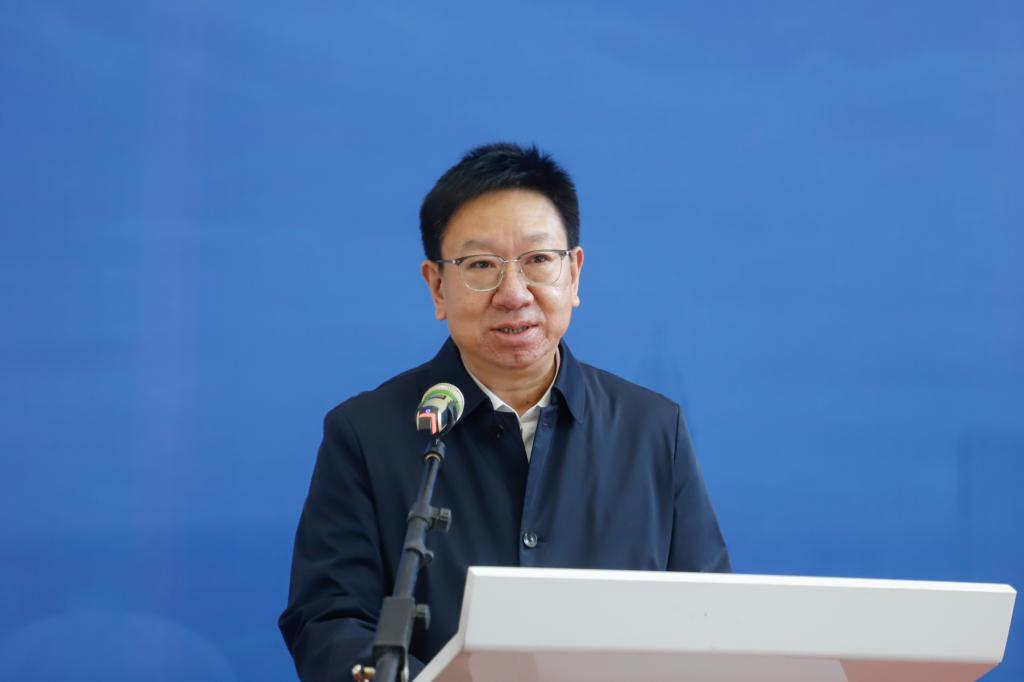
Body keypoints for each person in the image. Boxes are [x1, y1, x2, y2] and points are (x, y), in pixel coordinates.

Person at [279, 143, 730, 681]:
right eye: (481, 266)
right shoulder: (364, 435)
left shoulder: (653, 430)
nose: (514, 293)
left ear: (574, 273)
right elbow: (329, 622)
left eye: (538, 260)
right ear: (437, 286)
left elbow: (711, 623)